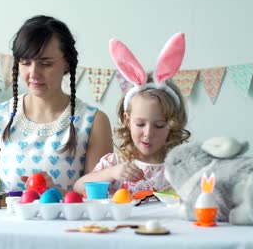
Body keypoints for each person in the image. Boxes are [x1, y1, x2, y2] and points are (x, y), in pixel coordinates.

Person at [0, 15, 113, 193]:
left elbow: (99, 199)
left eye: (46, 63)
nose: (34, 73)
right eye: (26, 63)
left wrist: (56, 192)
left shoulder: (94, 122)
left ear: (66, 62)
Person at [73, 33, 191, 200]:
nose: (148, 133)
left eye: (158, 125)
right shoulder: (114, 163)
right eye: (140, 124)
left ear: (172, 124)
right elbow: (78, 187)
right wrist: (112, 173)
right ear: (128, 120)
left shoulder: (178, 167)